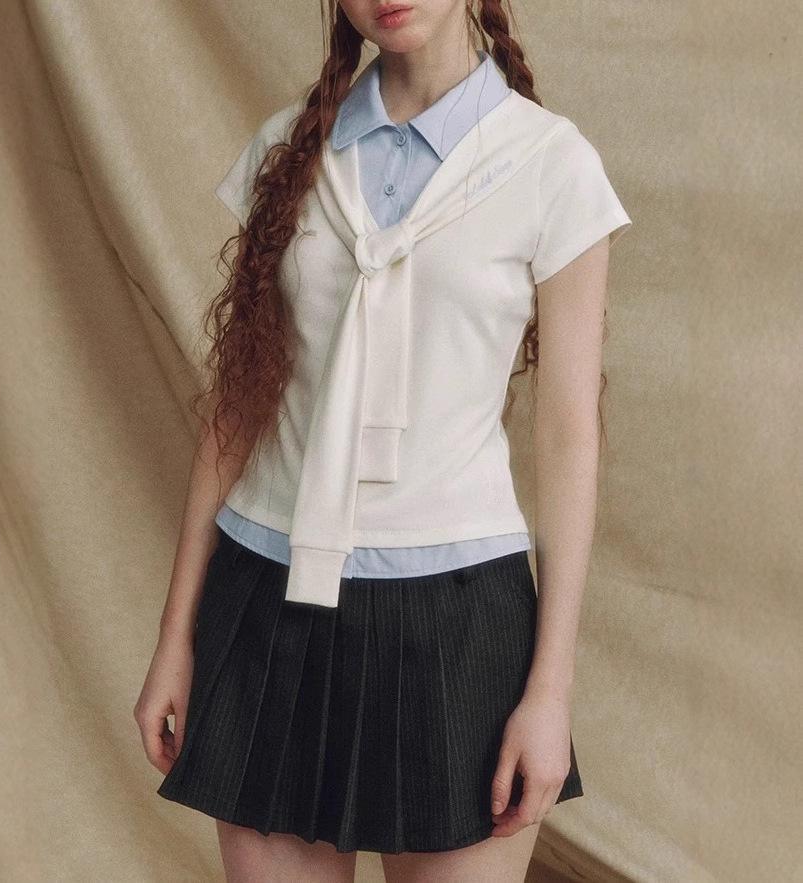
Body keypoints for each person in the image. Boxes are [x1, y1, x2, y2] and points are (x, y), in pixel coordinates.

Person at [135, 0, 632, 879]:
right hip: (267, 601)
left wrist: (548, 690)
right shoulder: (289, 148)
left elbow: (567, 440)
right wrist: (175, 635)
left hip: (458, 621)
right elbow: (237, 403)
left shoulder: (550, 166)